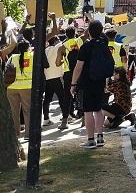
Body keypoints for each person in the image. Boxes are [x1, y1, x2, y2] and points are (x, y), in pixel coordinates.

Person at [70, 20, 114, 149]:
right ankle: (100, 136)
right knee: (98, 109)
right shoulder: (104, 45)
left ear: (89, 31)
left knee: (88, 111)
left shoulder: (86, 47)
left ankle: (90, 139)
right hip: (100, 81)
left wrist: (73, 83)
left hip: (87, 81)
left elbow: (78, 67)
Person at [6, 39, 33, 139]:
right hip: (27, 87)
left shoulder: (12, 57)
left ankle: (15, 135)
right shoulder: (32, 56)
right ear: (28, 47)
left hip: (12, 88)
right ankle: (28, 134)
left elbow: (6, 70)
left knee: (14, 112)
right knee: (27, 111)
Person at [42, 31, 69, 129]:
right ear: (55, 41)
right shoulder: (58, 47)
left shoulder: (45, 50)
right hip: (56, 78)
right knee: (62, 98)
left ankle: (46, 119)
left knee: (47, 99)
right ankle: (65, 119)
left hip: (47, 78)